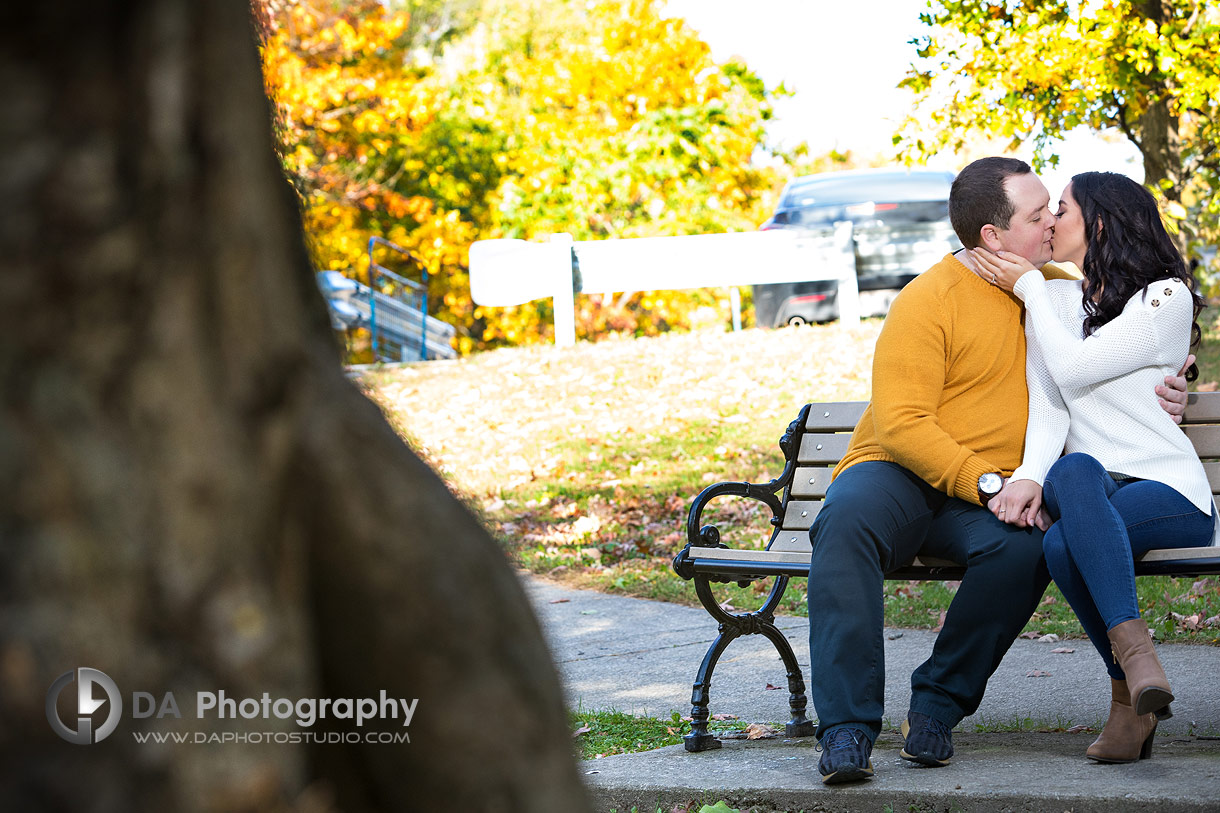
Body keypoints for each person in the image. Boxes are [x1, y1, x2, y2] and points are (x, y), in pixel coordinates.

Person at [807, 157, 1193, 786]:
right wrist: (988, 483)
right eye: (1038, 216)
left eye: (1052, 212)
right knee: (846, 523)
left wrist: (1180, 375)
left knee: (1027, 547)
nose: (1050, 225)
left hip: (990, 492)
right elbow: (902, 423)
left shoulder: (1056, 286)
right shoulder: (928, 298)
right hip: (899, 473)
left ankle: (936, 707)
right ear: (993, 235)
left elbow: (1138, 320)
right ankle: (847, 728)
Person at [970, 171, 1216, 764]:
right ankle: (1137, 667)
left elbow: (1076, 369)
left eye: (1062, 208)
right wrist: (1030, 474)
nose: (1050, 219)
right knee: (1069, 477)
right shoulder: (1054, 301)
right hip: (1096, 491)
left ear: (1100, 222)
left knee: (1064, 545)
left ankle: (1127, 696)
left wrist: (1028, 286)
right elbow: (1051, 403)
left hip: (1168, 489)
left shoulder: (1163, 297)